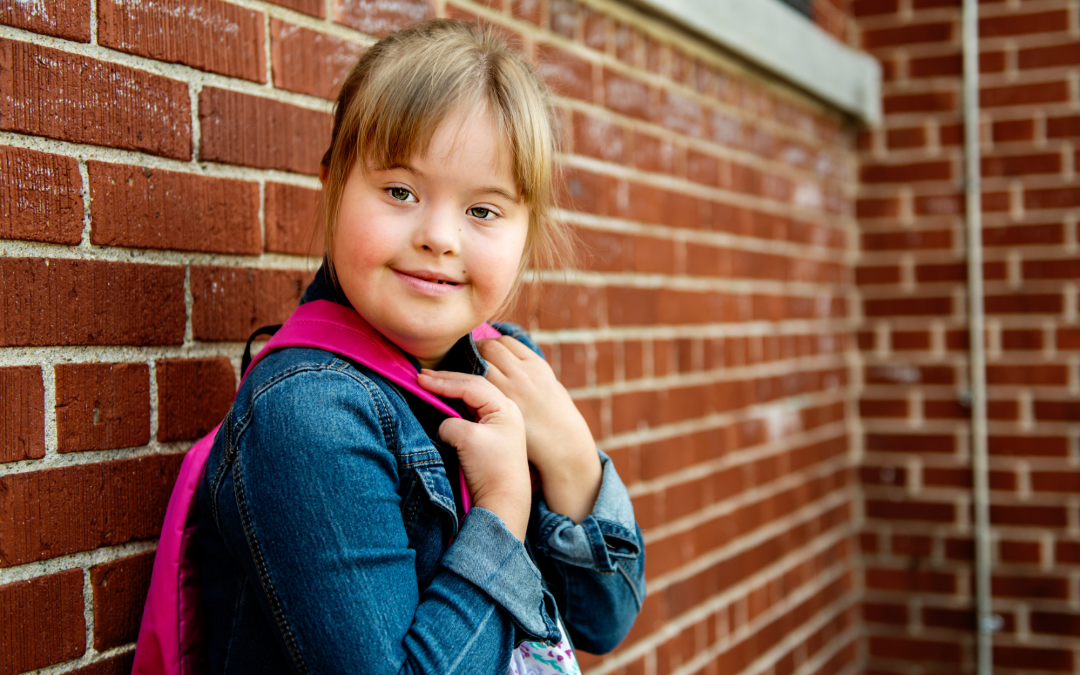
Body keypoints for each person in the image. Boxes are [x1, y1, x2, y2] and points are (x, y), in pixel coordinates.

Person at [196, 19, 645, 674]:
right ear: (332, 186)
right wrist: (501, 511)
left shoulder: (505, 368)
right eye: (400, 191)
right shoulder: (308, 413)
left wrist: (573, 457)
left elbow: (602, 619)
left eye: (484, 210)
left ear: (527, 231)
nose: (439, 235)